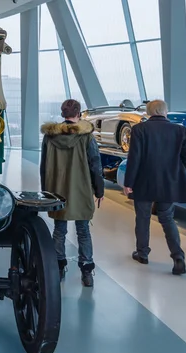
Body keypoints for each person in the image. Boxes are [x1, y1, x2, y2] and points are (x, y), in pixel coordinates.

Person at [123, 99, 186, 275]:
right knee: (167, 218)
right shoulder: (180, 130)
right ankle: (178, 257)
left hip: (144, 182)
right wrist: (176, 172)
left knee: (143, 218)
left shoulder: (139, 130)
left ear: (148, 113)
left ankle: (142, 253)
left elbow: (134, 159)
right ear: (165, 112)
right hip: (168, 183)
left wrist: (128, 183)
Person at [40, 99, 105, 287]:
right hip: (81, 188)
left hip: (57, 189)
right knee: (83, 230)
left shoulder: (50, 136)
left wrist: (46, 191)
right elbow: (95, 164)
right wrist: (99, 189)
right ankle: (86, 271)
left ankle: (58, 267)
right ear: (78, 114)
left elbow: (44, 166)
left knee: (59, 230)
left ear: (63, 113)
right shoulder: (86, 136)